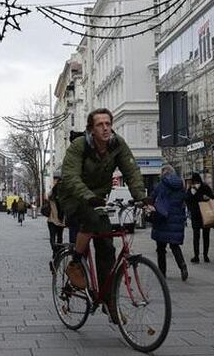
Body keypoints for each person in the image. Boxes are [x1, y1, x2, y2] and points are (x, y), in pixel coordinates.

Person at [58, 108, 147, 325]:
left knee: (107, 244)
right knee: (91, 220)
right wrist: (88, 196)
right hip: (73, 195)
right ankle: (75, 263)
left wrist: (141, 198)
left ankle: (109, 301)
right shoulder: (79, 146)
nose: (106, 128)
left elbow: (131, 171)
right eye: (100, 124)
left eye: (108, 123)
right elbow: (69, 177)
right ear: (91, 129)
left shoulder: (117, 144)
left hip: (98, 198)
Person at [151, 165, 189, 281]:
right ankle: (182, 266)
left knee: (161, 248)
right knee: (174, 245)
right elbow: (184, 199)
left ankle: (162, 274)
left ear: (164, 173)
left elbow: (153, 198)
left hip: (163, 218)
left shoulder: (161, 185)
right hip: (176, 219)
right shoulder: (181, 185)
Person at [185, 172, 214, 263]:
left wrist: (191, 209)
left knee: (196, 236)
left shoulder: (192, 189)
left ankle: (197, 256)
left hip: (197, 215)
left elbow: (187, 199)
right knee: (205, 236)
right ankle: (205, 256)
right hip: (205, 214)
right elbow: (212, 197)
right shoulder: (205, 187)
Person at [47, 172, 65, 253]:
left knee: (52, 237)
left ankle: (55, 250)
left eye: (55, 179)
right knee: (59, 237)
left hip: (52, 219)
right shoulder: (64, 195)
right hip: (60, 220)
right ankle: (58, 252)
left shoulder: (52, 193)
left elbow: (47, 197)